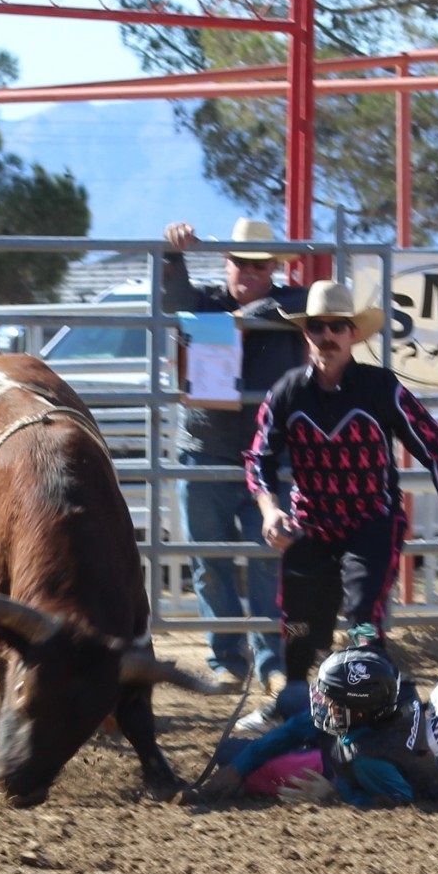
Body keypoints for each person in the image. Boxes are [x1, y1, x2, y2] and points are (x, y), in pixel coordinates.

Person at [241, 279, 438, 719]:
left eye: (337, 327)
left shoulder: (380, 387)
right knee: (297, 617)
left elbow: (434, 445)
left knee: (364, 616)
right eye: (318, 327)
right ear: (306, 334)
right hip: (311, 523)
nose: (327, 336)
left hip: (372, 520)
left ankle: (374, 704)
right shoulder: (287, 392)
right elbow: (259, 457)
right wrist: (270, 510)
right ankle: (294, 696)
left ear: (352, 334)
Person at [163, 217, 308, 695]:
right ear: (226, 262)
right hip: (205, 450)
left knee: (269, 560)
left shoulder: (289, 304)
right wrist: (173, 253)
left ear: (273, 269)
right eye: (240, 262)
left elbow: (307, 300)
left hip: (268, 457)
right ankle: (227, 659)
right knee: (210, 562)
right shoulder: (204, 302)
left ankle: (272, 663)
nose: (248, 271)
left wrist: (248, 317)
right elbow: (171, 299)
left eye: (259, 265)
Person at [192, 645, 438, 807]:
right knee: (291, 696)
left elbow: (402, 797)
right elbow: (298, 728)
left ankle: (309, 757)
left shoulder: (368, 759)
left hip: (343, 767)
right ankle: (307, 750)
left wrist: (335, 792)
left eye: (332, 701)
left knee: (228, 752)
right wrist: (240, 767)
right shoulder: (389, 697)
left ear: (358, 711)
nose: (324, 704)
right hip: (357, 741)